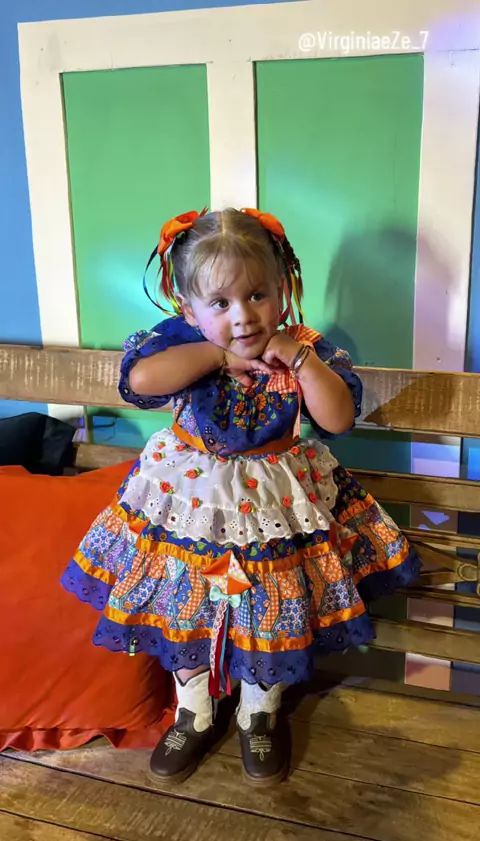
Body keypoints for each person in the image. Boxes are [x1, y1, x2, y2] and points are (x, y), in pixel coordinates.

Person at [61, 206, 421, 787]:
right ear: (188, 308)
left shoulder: (303, 346)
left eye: (257, 295)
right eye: (220, 303)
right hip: (189, 504)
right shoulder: (184, 342)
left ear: (282, 290)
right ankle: (194, 710)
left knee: (269, 606)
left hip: (275, 504)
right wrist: (218, 356)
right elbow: (140, 382)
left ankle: (260, 710)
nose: (244, 316)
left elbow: (337, 419)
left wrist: (300, 360)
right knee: (186, 604)